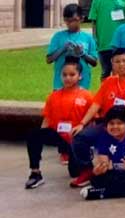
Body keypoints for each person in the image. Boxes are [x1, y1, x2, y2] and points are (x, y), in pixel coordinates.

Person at [71, 48, 125, 187]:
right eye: (117, 61)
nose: (121, 64)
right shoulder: (108, 82)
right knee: (80, 137)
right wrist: (82, 123)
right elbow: (96, 104)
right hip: (108, 125)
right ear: (112, 64)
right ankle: (88, 170)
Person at [25, 59, 92, 189]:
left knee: (74, 172)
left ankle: (83, 160)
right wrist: (40, 138)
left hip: (76, 138)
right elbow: (47, 119)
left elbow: (92, 122)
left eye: (72, 75)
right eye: (64, 75)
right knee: (34, 135)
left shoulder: (87, 96)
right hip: (58, 135)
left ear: (80, 76)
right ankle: (35, 173)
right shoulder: (53, 96)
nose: (68, 78)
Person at [79, 106, 125, 200]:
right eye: (111, 123)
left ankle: (101, 193)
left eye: (119, 123)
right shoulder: (104, 138)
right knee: (96, 179)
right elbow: (104, 163)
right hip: (118, 173)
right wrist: (98, 170)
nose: (115, 127)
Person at [88, 0, 125, 79]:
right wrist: (95, 38)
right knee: (106, 72)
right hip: (104, 42)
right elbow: (94, 19)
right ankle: (105, 95)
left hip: (122, 42)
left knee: (122, 72)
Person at [47, 3, 98, 91]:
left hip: (82, 83)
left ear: (81, 19)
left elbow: (94, 62)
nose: (70, 24)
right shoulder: (58, 36)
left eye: (74, 20)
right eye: (67, 21)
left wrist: (82, 53)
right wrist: (63, 49)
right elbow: (49, 59)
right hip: (60, 83)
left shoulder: (88, 38)